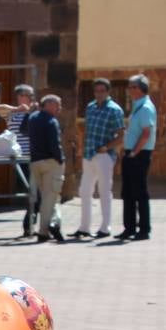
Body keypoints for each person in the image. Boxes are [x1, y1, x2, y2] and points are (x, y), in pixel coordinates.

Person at [72, 78, 125, 239]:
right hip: (88, 154)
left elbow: (121, 136)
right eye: (97, 91)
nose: (99, 94)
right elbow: (87, 130)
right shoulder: (91, 107)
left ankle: (105, 227)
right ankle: (84, 227)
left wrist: (106, 148)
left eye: (102, 91)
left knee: (104, 191)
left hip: (104, 155)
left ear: (108, 92)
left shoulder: (114, 109)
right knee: (84, 191)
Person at [0, 85, 38, 237]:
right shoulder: (12, 114)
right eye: (26, 95)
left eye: (31, 95)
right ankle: (29, 223)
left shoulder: (35, 113)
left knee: (35, 191)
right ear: (19, 96)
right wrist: (18, 108)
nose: (30, 98)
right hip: (20, 157)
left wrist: (31, 110)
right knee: (29, 191)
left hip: (34, 156)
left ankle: (30, 222)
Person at [119, 74, 158, 241]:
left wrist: (135, 152)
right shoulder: (137, 106)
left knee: (139, 192)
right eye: (129, 87)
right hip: (131, 152)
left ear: (142, 88)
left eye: (133, 87)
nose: (130, 90)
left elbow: (146, 133)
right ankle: (129, 228)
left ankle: (143, 229)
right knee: (127, 192)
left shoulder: (146, 108)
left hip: (139, 154)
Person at [23, 94, 65, 243]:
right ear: (48, 104)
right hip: (50, 162)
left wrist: (30, 112)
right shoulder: (51, 121)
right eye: (57, 104)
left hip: (35, 162)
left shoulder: (33, 118)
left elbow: (23, 129)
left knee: (46, 197)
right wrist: (60, 160)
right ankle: (44, 230)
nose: (59, 108)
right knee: (50, 197)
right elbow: (55, 144)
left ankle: (53, 224)